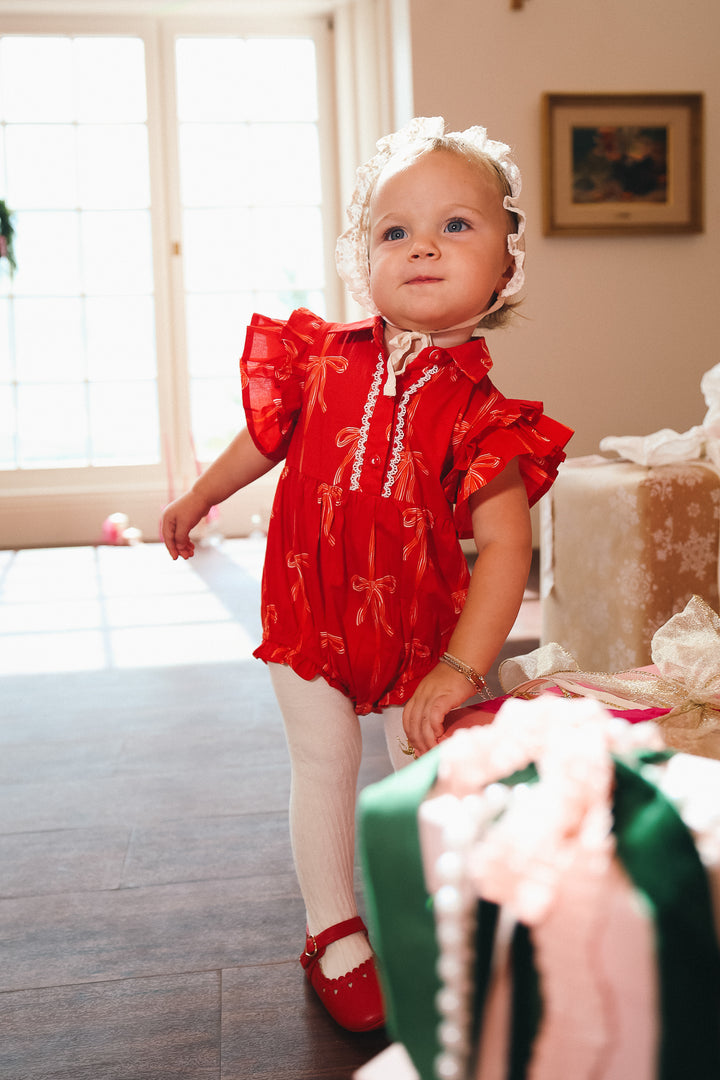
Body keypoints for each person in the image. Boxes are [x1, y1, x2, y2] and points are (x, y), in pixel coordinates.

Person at [161, 116, 573, 1033]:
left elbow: (507, 550)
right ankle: (332, 928)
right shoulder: (321, 355)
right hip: (307, 604)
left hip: (420, 629)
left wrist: (460, 670)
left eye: (456, 226)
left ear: (507, 267)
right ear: (366, 256)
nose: (421, 244)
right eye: (396, 230)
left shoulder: (485, 414)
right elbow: (263, 439)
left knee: (417, 772)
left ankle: (423, 916)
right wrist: (200, 495)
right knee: (322, 761)